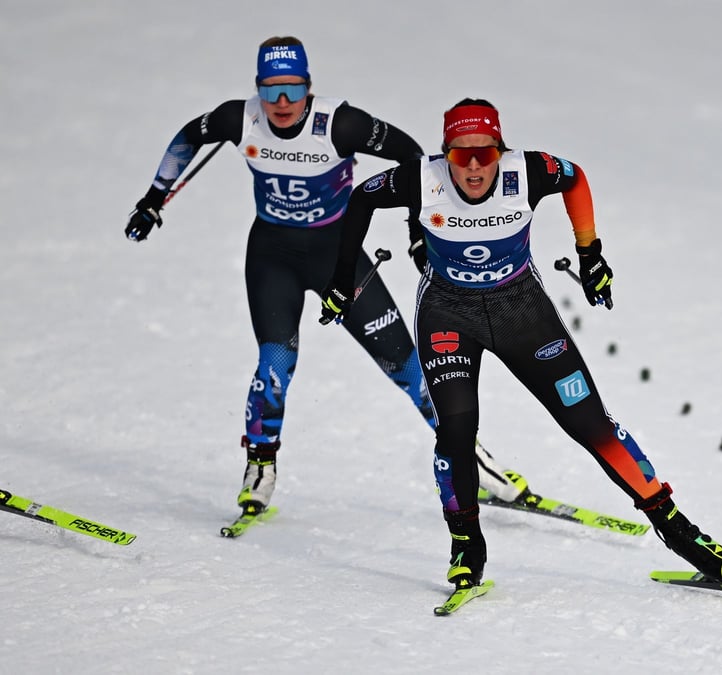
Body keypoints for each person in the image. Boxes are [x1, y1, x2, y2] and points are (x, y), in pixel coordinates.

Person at [319, 98, 722, 590]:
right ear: (444, 155)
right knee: (456, 432)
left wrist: (590, 254)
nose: (474, 167)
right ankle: (465, 545)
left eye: (486, 153)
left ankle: (680, 531)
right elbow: (362, 200)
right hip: (448, 313)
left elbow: (576, 178)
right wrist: (340, 279)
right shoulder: (420, 178)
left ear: (502, 149)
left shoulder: (531, 170)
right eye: (461, 156)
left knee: (590, 422)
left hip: (521, 311)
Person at [123, 39, 529, 517]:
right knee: (275, 364)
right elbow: (190, 136)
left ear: (308, 87)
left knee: (407, 364)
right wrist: (154, 197)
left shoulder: (341, 124)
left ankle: (471, 459)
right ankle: (260, 463)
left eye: (292, 89)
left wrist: (417, 230)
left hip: (338, 260)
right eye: (270, 90)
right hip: (273, 257)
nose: (281, 102)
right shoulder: (240, 118)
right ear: (257, 89)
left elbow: (412, 157)